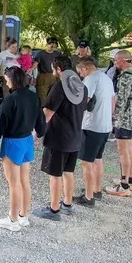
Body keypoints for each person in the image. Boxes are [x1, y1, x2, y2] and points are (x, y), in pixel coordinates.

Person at [33, 56, 88, 220]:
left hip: (58, 137)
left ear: (57, 69)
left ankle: (54, 209)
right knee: (68, 171)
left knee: (55, 174)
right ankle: (67, 203)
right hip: (76, 135)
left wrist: (37, 132)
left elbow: (48, 112)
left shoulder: (60, 87)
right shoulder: (81, 87)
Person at [0, 66, 46, 231]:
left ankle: (12, 219)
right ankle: (23, 216)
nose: (6, 82)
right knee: (25, 181)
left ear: (12, 80)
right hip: (27, 140)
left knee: (13, 184)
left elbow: (0, 125)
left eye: (7, 80)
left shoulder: (10, 99)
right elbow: (41, 121)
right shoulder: (34, 96)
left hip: (12, 142)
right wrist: (39, 133)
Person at [74, 56, 115, 206]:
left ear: (85, 68)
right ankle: (96, 189)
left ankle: (88, 196)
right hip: (105, 125)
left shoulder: (90, 79)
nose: (81, 75)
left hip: (92, 125)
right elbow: (113, 101)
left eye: (80, 72)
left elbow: (84, 100)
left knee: (86, 162)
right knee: (98, 158)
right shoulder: (106, 78)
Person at [106, 50, 132, 197]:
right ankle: (130, 179)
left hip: (124, 117)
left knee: (123, 151)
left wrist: (112, 117)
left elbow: (120, 100)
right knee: (128, 149)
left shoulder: (125, 78)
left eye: (116, 61)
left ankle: (124, 186)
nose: (115, 63)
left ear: (122, 60)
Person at [33, 37, 60, 106]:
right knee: (42, 98)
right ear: (47, 44)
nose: (52, 46)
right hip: (43, 76)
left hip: (54, 77)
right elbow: (34, 65)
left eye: (54, 45)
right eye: (51, 44)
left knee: (53, 97)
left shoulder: (57, 54)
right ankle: (41, 113)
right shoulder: (40, 54)